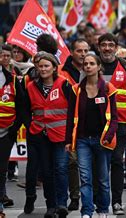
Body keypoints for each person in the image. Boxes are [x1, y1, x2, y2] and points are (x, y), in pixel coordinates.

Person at [65, 54, 118, 218]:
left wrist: (108, 136)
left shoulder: (108, 88)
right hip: (82, 140)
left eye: (91, 63)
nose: (88, 66)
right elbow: (70, 116)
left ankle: (102, 209)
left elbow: (115, 118)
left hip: (102, 140)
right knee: (85, 178)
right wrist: (68, 140)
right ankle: (86, 211)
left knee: (102, 179)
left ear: (98, 67)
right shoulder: (76, 89)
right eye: (85, 64)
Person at [97, 33, 126, 215]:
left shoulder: (125, 66)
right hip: (95, 124)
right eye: (104, 45)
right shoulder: (92, 64)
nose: (107, 48)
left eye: (110, 45)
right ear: (99, 47)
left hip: (120, 124)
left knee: (116, 162)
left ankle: (116, 202)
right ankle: (99, 202)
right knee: (98, 165)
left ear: (116, 47)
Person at [24, 53, 71, 217]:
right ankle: (51, 206)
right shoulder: (31, 86)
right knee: (46, 172)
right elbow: (25, 109)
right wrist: (30, 126)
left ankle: (62, 204)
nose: (43, 69)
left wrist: (71, 135)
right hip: (40, 135)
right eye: (40, 66)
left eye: (46, 66)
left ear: (54, 67)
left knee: (61, 169)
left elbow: (73, 111)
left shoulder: (64, 84)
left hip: (61, 136)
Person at [58, 38, 90, 211]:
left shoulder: (93, 68)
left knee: (88, 163)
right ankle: (75, 196)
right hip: (69, 123)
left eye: (86, 51)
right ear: (72, 52)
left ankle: (89, 197)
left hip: (90, 123)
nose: (83, 54)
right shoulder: (61, 72)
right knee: (71, 162)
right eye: (79, 51)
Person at [0, 48, 26, 217]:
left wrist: (12, 131)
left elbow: (23, 109)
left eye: (7, 56)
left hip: (5, 135)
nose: (5, 58)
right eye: (2, 55)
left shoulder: (14, 80)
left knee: (1, 170)